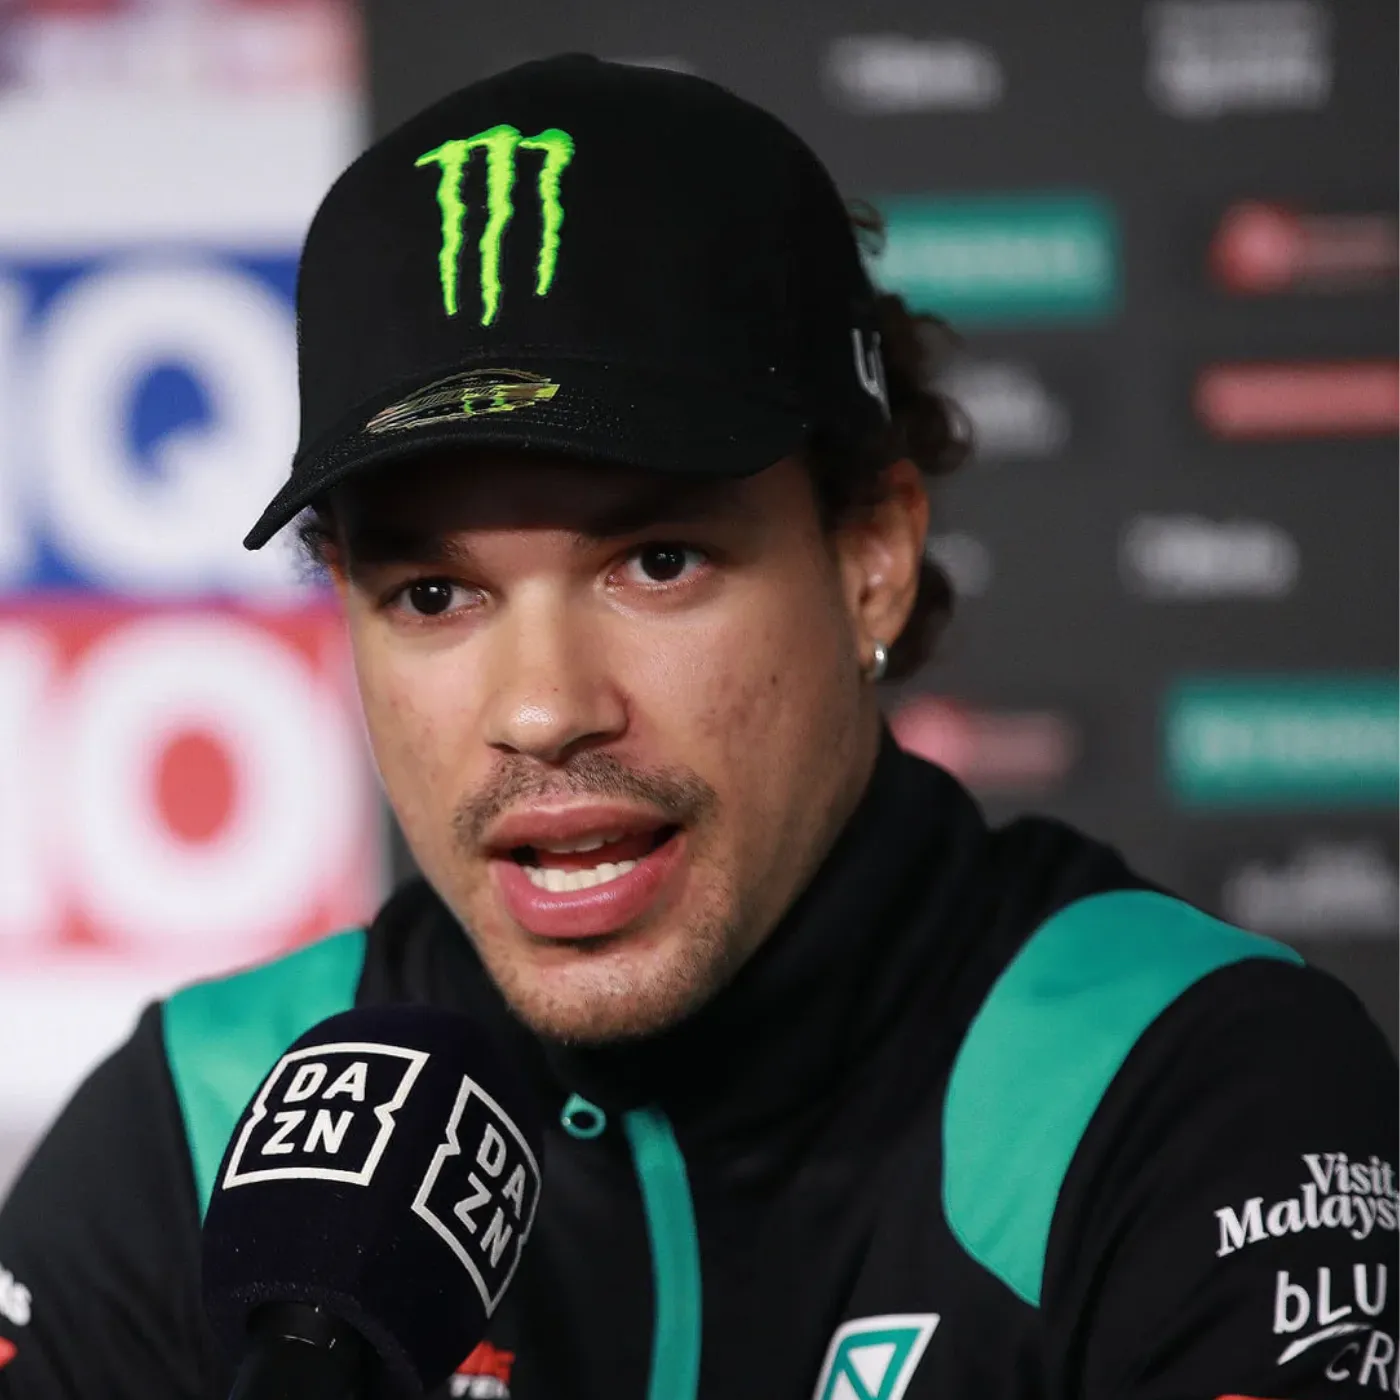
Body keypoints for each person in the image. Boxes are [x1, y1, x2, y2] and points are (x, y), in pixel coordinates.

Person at [0, 53, 1394, 1400]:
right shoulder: (208, 1113)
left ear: (872, 556)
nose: (544, 708)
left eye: (656, 562)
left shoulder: (1175, 1076)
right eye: (432, 592)